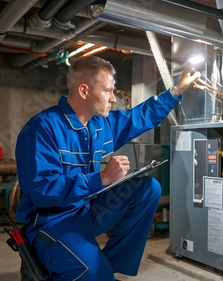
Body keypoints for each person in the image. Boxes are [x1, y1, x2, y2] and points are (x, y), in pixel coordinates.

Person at [15, 55, 200, 280]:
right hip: (51, 220)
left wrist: (177, 90)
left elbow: (139, 117)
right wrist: (101, 178)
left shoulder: (100, 124)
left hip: (86, 209)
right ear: (84, 91)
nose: (113, 99)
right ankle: (75, 265)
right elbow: (42, 190)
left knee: (148, 188)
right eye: (108, 91)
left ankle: (106, 265)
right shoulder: (42, 128)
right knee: (91, 272)